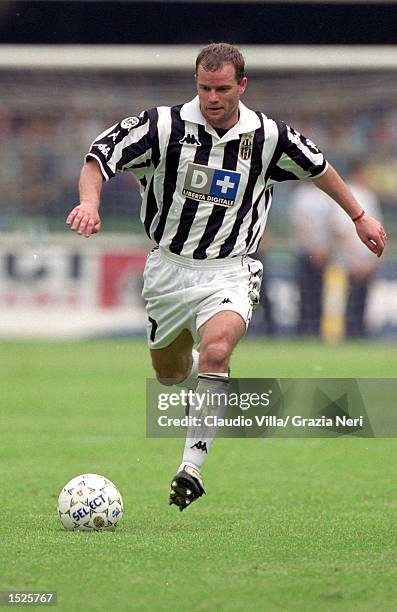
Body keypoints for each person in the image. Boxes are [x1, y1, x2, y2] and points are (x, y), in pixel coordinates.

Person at [66, 43, 387, 511]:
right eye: (204, 88)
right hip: (169, 269)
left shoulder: (269, 136)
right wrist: (90, 203)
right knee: (170, 374)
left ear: (242, 85)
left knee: (218, 349)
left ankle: (191, 467)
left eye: (222, 89)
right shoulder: (163, 126)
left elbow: (320, 168)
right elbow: (99, 156)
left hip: (231, 268)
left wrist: (359, 216)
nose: (212, 98)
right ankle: (200, 375)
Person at [332, 161, 383, 337]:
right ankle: (349, 334)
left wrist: (371, 259)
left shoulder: (369, 195)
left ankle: (360, 333)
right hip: (350, 260)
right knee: (350, 300)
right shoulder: (348, 194)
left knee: (362, 300)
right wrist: (354, 259)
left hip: (366, 259)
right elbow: (340, 231)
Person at [290, 182, 335, 337]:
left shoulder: (325, 194)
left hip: (323, 253)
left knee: (319, 294)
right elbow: (301, 225)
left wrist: (325, 249)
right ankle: (303, 331)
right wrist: (312, 249)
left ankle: (316, 330)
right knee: (305, 294)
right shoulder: (302, 194)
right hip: (306, 252)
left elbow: (331, 225)